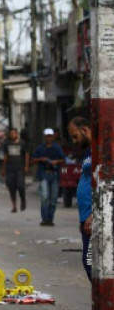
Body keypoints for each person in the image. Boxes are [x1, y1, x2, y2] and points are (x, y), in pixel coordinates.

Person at [68, 116, 92, 279]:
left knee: (90, 261)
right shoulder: (89, 152)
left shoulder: (101, 149)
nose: (74, 141)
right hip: (87, 218)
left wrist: (94, 215)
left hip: (95, 216)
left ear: (84, 130)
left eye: (75, 136)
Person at [32, 128, 65, 226]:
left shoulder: (57, 148)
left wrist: (55, 162)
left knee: (53, 198)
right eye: (47, 136)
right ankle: (44, 219)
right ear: (44, 137)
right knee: (45, 196)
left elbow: (63, 160)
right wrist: (41, 159)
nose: (48, 138)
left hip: (54, 174)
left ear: (53, 137)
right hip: (44, 174)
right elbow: (33, 160)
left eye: (50, 136)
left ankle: (50, 219)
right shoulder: (40, 148)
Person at [1, 127, 29, 212]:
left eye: (14, 133)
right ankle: (14, 206)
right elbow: (5, 156)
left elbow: (26, 155)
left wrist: (26, 166)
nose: (13, 135)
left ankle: (23, 200)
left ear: (17, 134)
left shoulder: (22, 143)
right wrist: (3, 168)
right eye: (11, 133)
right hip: (10, 169)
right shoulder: (7, 144)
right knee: (11, 188)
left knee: (21, 186)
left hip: (20, 168)